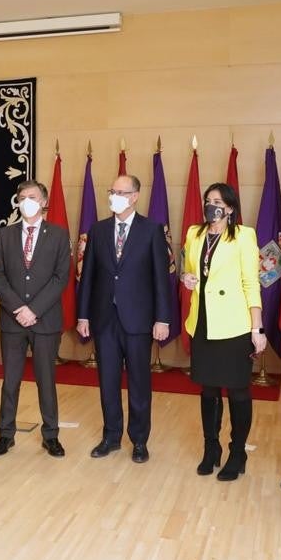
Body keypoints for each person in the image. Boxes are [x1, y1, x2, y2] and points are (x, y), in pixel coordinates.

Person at [76, 174, 172, 463]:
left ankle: (139, 440)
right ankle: (111, 436)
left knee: (140, 383)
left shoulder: (152, 230)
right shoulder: (98, 230)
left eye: (120, 191)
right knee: (107, 381)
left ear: (134, 196)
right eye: (111, 190)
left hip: (139, 320)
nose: (113, 196)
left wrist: (162, 319)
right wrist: (83, 315)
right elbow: (88, 276)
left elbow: (160, 279)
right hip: (104, 318)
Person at [179, 183, 264, 481]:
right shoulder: (194, 233)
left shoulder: (244, 236)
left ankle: (237, 452)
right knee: (208, 389)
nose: (210, 205)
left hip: (234, 326)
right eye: (207, 200)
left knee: (238, 390)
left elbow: (251, 283)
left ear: (229, 208)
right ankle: (210, 448)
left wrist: (257, 327)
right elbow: (189, 268)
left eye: (217, 201)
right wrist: (186, 277)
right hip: (202, 322)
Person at [0, 180, 71, 457]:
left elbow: (61, 278)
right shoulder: (4, 236)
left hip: (45, 321)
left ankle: (51, 435)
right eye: (22, 197)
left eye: (32, 197)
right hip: (12, 321)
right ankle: (5, 434)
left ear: (44, 201)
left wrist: (33, 310)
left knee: (46, 380)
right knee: (10, 380)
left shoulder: (59, 236)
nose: (27, 201)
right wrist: (18, 309)